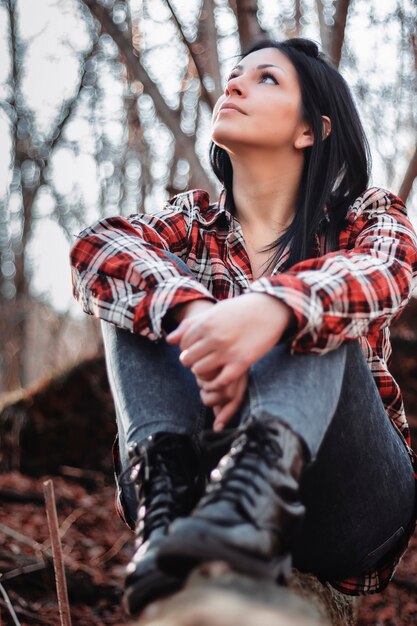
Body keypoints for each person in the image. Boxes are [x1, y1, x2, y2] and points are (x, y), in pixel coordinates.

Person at [70, 37, 417, 616]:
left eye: (267, 79)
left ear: (312, 130)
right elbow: (95, 249)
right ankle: (168, 500)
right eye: (234, 74)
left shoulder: (362, 215)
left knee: (318, 304)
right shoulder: (190, 224)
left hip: (346, 502)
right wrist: (193, 312)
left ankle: (254, 502)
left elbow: (392, 270)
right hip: (197, 485)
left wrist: (272, 308)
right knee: (138, 281)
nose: (232, 85)